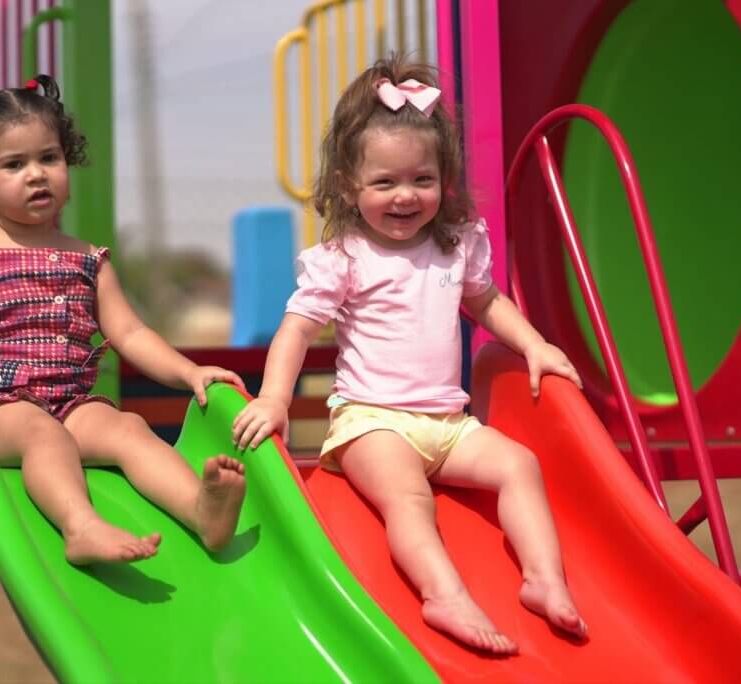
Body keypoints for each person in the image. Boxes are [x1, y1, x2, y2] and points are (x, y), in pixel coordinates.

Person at [232, 56, 586, 655]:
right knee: (408, 498)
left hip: (449, 424)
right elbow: (296, 329)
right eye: (385, 183)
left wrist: (534, 344)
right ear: (349, 185)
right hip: (372, 424)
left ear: (443, 178)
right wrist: (274, 399)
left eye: (421, 180)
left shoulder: (454, 246)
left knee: (519, 465)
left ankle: (544, 579)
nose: (405, 196)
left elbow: (487, 301)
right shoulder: (346, 257)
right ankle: (443, 591)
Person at [0, 75, 246, 565]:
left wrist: (189, 372)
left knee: (128, 428)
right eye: (15, 164)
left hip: (69, 403)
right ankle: (81, 526)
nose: (37, 174)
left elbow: (131, 333)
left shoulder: (90, 258)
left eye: (49, 158)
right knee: (41, 434)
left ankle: (201, 511)